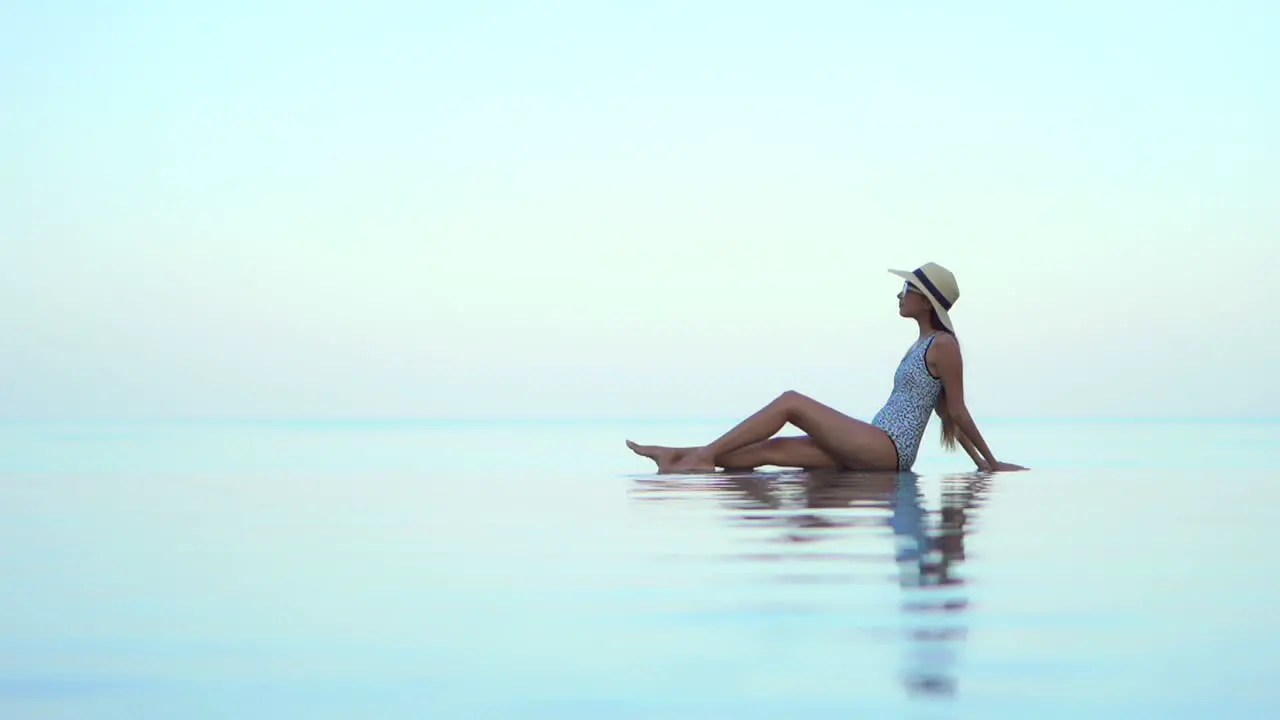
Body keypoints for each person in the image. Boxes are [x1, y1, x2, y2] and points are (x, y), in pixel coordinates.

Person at [626, 262, 1028, 474]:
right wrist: (982, 463)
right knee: (768, 451)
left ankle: (698, 457)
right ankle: (679, 456)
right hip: (874, 442)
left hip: (888, 449)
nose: (900, 294)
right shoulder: (923, 345)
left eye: (907, 289)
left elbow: (955, 410)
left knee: (791, 403)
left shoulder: (944, 346)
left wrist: (989, 464)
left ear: (925, 301)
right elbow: (943, 412)